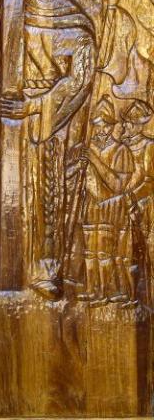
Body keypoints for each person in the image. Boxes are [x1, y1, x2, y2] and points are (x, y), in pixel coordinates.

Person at [0, 0, 96, 298]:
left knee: (44, 191)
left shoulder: (71, 21)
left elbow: (79, 79)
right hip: (8, 111)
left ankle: (44, 269)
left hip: (44, 118)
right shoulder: (12, 7)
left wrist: (36, 104)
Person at [67, 96, 133, 306]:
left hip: (110, 208)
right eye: (97, 125)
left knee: (105, 253)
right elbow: (67, 175)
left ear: (112, 126)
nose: (101, 130)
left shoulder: (121, 150)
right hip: (91, 205)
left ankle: (106, 291)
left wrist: (94, 160)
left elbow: (118, 185)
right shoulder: (85, 148)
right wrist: (78, 165)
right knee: (90, 252)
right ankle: (93, 289)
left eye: (106, 125)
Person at [118, 100, 154, 307]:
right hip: (123, 208)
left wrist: (134, 198)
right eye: (124, 123)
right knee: (125, 254)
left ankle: (148, 298)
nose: (124, 127)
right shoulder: (122, 147)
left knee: (148, 251)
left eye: (128, 123)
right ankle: (132, 295)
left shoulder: (149, 146)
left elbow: (150, 180)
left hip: (145, 207)